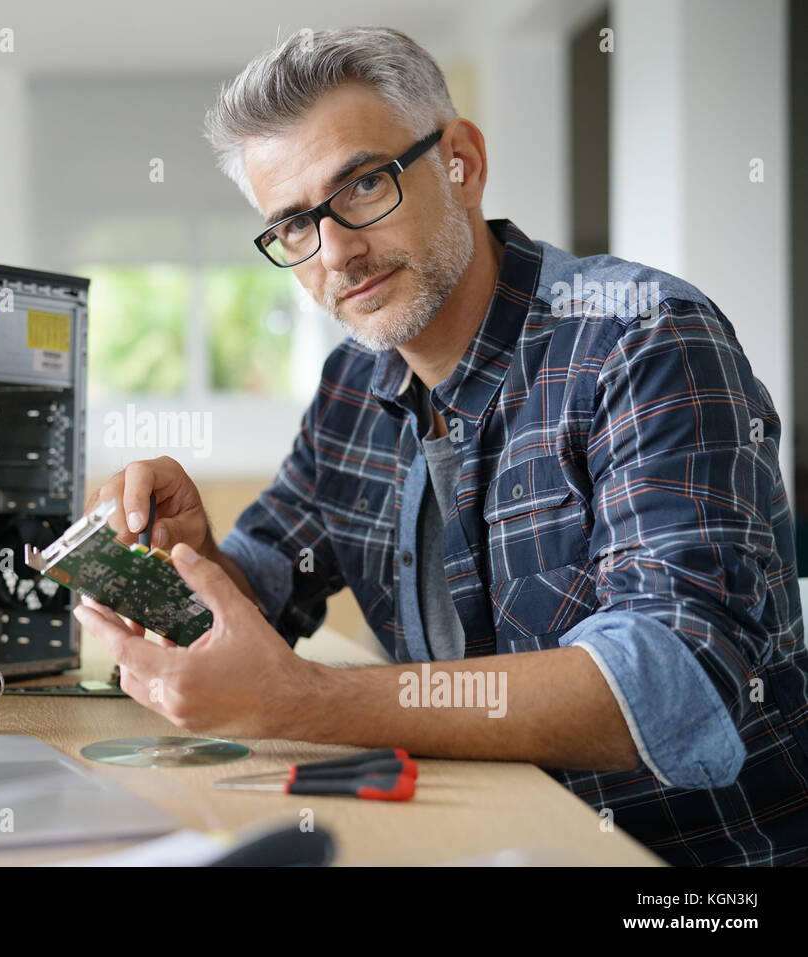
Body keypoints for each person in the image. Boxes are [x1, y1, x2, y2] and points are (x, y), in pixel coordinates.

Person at [74, 27, 808, 866]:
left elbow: (677, 680)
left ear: (460, 160)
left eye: (363, 185)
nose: (337, 252)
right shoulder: (355, 383)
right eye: (294, 226)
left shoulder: (644, 340)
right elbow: (263, 589)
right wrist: (191, 561)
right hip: (478, 837)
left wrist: (309, 702)